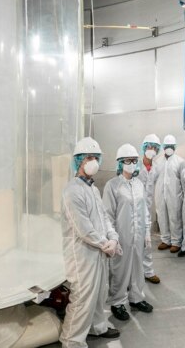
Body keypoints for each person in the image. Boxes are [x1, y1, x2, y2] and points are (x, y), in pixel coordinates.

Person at [60, 137, 121, 347]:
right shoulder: (72, 191)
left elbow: (104, 218)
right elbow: (84, 229)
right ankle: (71, 341)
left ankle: (97, 327)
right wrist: (106, 244)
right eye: (88, 157)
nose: (93, 161)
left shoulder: (93, 189)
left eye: (96, 157)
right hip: (82, 255)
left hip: (98, 251)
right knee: (83, 298)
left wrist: (113, 237)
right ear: (78, 161)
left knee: (99, 294)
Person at [103, 144, 154, 321]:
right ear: (119, 163)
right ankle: (117, 302)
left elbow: (145, 209)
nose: (131, 164)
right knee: (120, 270)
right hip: (121, 236)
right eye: (127, 161)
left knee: (138, 268)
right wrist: (112, 238)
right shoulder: (112, 186)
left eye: (133, 161)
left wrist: (147, 230)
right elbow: (107, 215)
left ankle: (136, 298)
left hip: (138, 236)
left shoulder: (139, 184)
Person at [153, 134, 185, 253]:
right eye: (167, 146)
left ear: (175, 147)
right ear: (163, 147)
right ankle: (165, 240)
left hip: (175, 194)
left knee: (174, 217)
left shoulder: (180, 162)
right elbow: (154, 178)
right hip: (160, 193)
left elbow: (183, 181)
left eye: (171, 146)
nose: (169, 148)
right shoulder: (157, 161)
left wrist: (183, 195)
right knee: (161, 216)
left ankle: (176, 241)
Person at [139, 134, 162, 284]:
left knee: (147, 242)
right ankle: (130, 273)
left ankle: (148, 271)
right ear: (144, 147)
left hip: (146, 209)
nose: (152, 150)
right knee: (131, 243)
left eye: (155, 147)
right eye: (149, 146)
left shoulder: (156, 168)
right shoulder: (135, 165)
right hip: (132, 209)